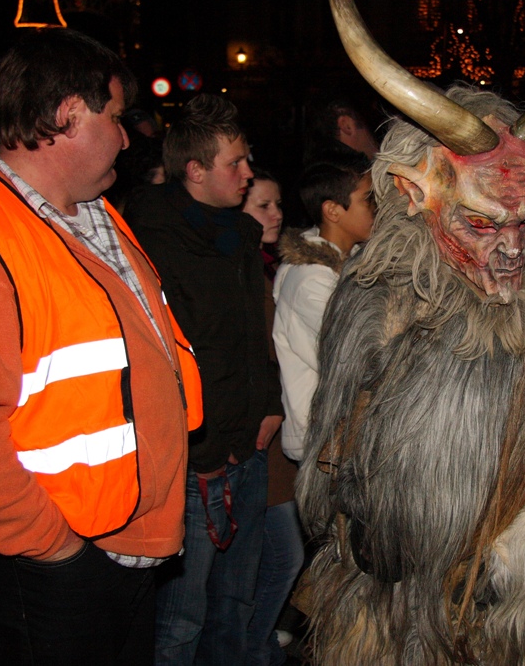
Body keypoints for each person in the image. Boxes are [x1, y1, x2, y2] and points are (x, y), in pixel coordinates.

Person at [297, 0, 525, 662]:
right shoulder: (369, 299)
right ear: (415, 195)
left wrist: (510, 577)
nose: (513, 250)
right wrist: (351, 525)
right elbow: (333, 442)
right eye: (483, 223)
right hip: (377, 595)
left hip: (494, 608)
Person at [0, 28, 202, 665]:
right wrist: (58, 553)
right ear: (67, 114)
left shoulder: (89, 213)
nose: (127, 137)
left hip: (117, 545)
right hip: (43, 561)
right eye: (115, 117)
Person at [125, 93, 284, 665]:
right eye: (234, 163)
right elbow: (169, 357)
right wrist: (205, 451)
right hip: (196, 464)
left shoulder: (238, 233)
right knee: (180, 621)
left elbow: (250, 333)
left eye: (247, 160)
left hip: (248, 448)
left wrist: (269, 402)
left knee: (234, 606)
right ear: (194, 171)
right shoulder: (152, 238)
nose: (247, 173)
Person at [238, 169, 302, 666]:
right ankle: (250, 647)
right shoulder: (242, 271)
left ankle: (253, 643)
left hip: (274, 431)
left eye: (278, 203)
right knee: (282, 555)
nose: (276, 214)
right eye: (262, 206)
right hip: (258, 431)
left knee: (273, 558)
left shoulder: (272, 266)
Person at [273, 158, 374, 463]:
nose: (377, 207)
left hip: (347, 432)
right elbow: (360, 351)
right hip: (326, 439)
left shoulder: (352, 262)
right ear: (333, 211)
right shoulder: (310, 280)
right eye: (368, 200)